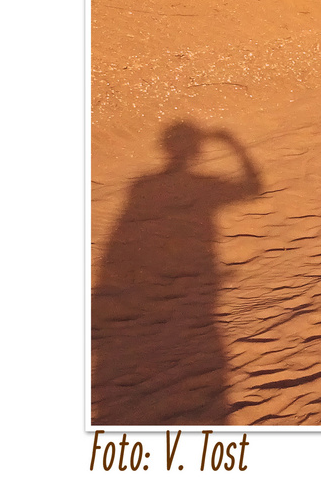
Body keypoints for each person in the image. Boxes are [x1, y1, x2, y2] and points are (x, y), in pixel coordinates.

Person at [93, 121, 262, 424]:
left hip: (154, 291)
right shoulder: (202, 186)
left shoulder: (141, 186)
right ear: (196, 152)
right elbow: (253, 186)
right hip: (197, 293)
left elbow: (117, 241)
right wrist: (233, 143)